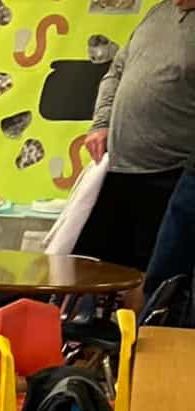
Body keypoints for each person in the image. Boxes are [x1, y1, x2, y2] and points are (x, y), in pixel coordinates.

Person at [78, 0, 195, 284]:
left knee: (156, 276)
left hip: (174, 173)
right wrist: (101, 122)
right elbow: (115, 73)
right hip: (118, 168)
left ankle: (145, 328)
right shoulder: (158, 11)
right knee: (100, 266)